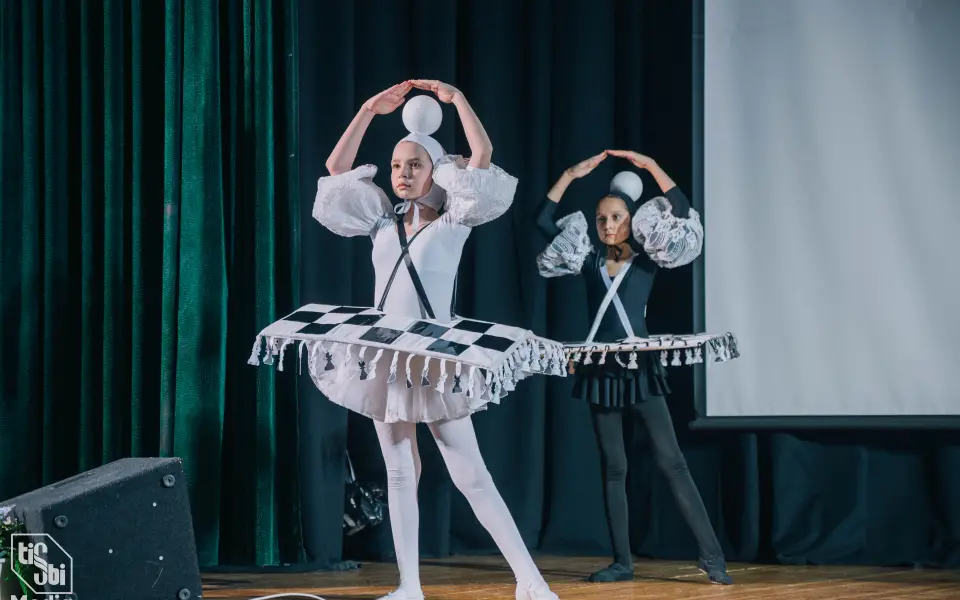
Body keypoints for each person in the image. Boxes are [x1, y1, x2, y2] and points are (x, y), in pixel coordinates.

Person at [313, 80, 561, 600]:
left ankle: (530, 580)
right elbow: (336, 169)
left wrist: (458, 101)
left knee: (471, 475)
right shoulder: (380, 221)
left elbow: (482, 156)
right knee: (400, 471)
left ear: (435, 171)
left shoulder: (454, 220)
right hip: (386, 356)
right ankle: (409, 586)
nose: (402, 174)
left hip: (434, 361)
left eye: (414, 165)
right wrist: (368, 109)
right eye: (396, 165)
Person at [533, 150, 733, 585]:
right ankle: (622, 562)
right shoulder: (586, 258)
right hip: (600, 372)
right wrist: (569, 174)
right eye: (601, 219)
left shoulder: (647, 257)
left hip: (640, 368)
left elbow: (680, 208)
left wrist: (650, 166)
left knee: (672, 462)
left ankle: (713, 556)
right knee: (614, 468)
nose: (608, 226)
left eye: (616, 218)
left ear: (632, 220)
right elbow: (543, 220)